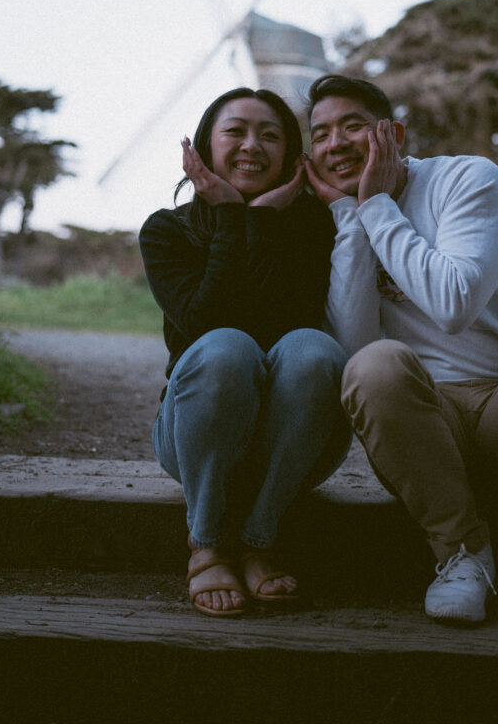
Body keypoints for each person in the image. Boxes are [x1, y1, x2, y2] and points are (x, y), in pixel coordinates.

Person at [304, 73, 498, 628]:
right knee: (372, 364)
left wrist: (375, 205)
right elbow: (354, 354)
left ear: (393, 134)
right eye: (320, 134)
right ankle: (462, 557)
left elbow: (453, 305)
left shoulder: (467, 179)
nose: (335, 144)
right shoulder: (344, 218)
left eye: (353, 126)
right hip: (425, 432)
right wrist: (353, 222)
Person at [139, 87, 350, 617]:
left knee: (313, 349)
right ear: (207, 143)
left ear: (290, 155)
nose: (251, 145)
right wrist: (235, 218)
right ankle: (207, 541)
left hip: (294, 439)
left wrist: (261, 221)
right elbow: (206, 325)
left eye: (270, 134)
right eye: (236, 131)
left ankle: (260, 538)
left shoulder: (311, 226)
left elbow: (283, 327)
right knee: (226, 348)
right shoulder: (166, 230)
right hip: (195, 437)